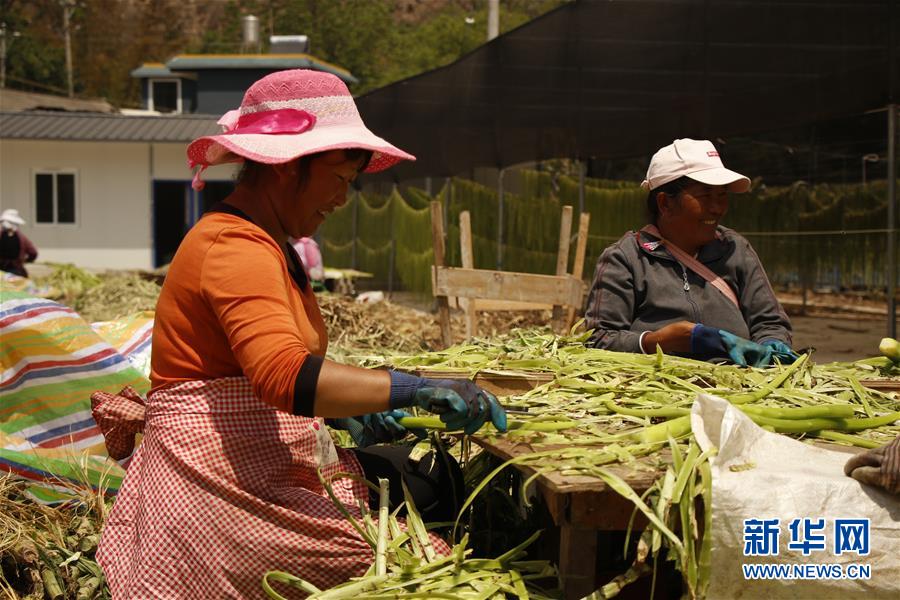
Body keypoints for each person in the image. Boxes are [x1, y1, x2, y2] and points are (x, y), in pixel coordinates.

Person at [93, 69, 507, 598]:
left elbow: (256, 368)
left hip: (253, 462)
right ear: (288, 167)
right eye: (339, 179)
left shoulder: (267, 242)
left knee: (434, 474)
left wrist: (350, 406)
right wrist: (408, 384)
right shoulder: (234, 246)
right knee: (426, 513)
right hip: (221, 491)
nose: (342, 198)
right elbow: (283, 375)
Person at [583, 138, 797, 367]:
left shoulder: (736, 250)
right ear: (665, 203)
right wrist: (658, 341)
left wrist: (772, 344)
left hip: (735, 387)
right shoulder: (626, 259)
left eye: (722, 195)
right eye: (705, 196)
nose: (717, 208)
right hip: (660, 390)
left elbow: (770, 322)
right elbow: (598, 339)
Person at [0, 208, 38, 278]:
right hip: (15, 270)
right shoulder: (22, 238)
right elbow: (33, 253)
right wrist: (26, 261)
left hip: (6, 270)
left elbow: (33, 253)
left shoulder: (22, 238)